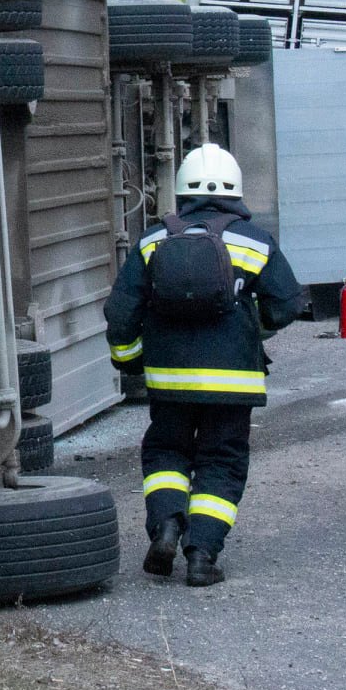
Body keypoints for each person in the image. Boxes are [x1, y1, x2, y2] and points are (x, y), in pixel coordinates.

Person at [104, 144, 304, 586]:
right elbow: (288, 305)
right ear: (235, 189)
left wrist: (131, 361)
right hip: (233, 381)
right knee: (222, 459)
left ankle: (167, 526)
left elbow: (119, 315)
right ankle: (202, 554)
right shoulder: (255, 240)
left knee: (165, 451)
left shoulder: (154, 240)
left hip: (169, 380)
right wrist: (257, 327)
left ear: (180, 191)